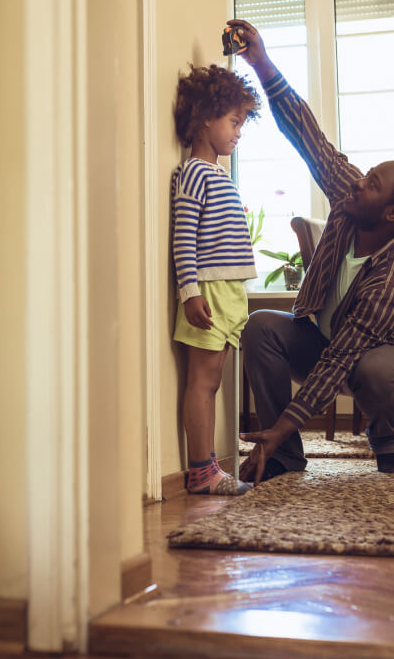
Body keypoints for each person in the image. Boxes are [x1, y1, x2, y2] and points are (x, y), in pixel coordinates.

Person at [226, 19, 394, 485]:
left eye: (372, 183)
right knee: (261, 326)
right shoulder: (352, 197)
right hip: (319, 339)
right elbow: (310, 139)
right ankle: (286, 457)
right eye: (365, 175)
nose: (358, 183)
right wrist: (261, 61)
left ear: (393, 212)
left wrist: (279, 425)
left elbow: (344, 355)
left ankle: (385, 439)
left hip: (376, 352)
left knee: (378, 370)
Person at [171, 64, 262, 495]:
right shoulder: (192, 172)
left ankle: (211, 465)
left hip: (227, 291)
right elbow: (183, 236)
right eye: (234, 122)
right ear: (206, 117)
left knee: (214, 381)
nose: (238, 132)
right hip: (206, 289)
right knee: (202, 381)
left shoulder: (218, 173)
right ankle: (201, 469)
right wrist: (189, 291)